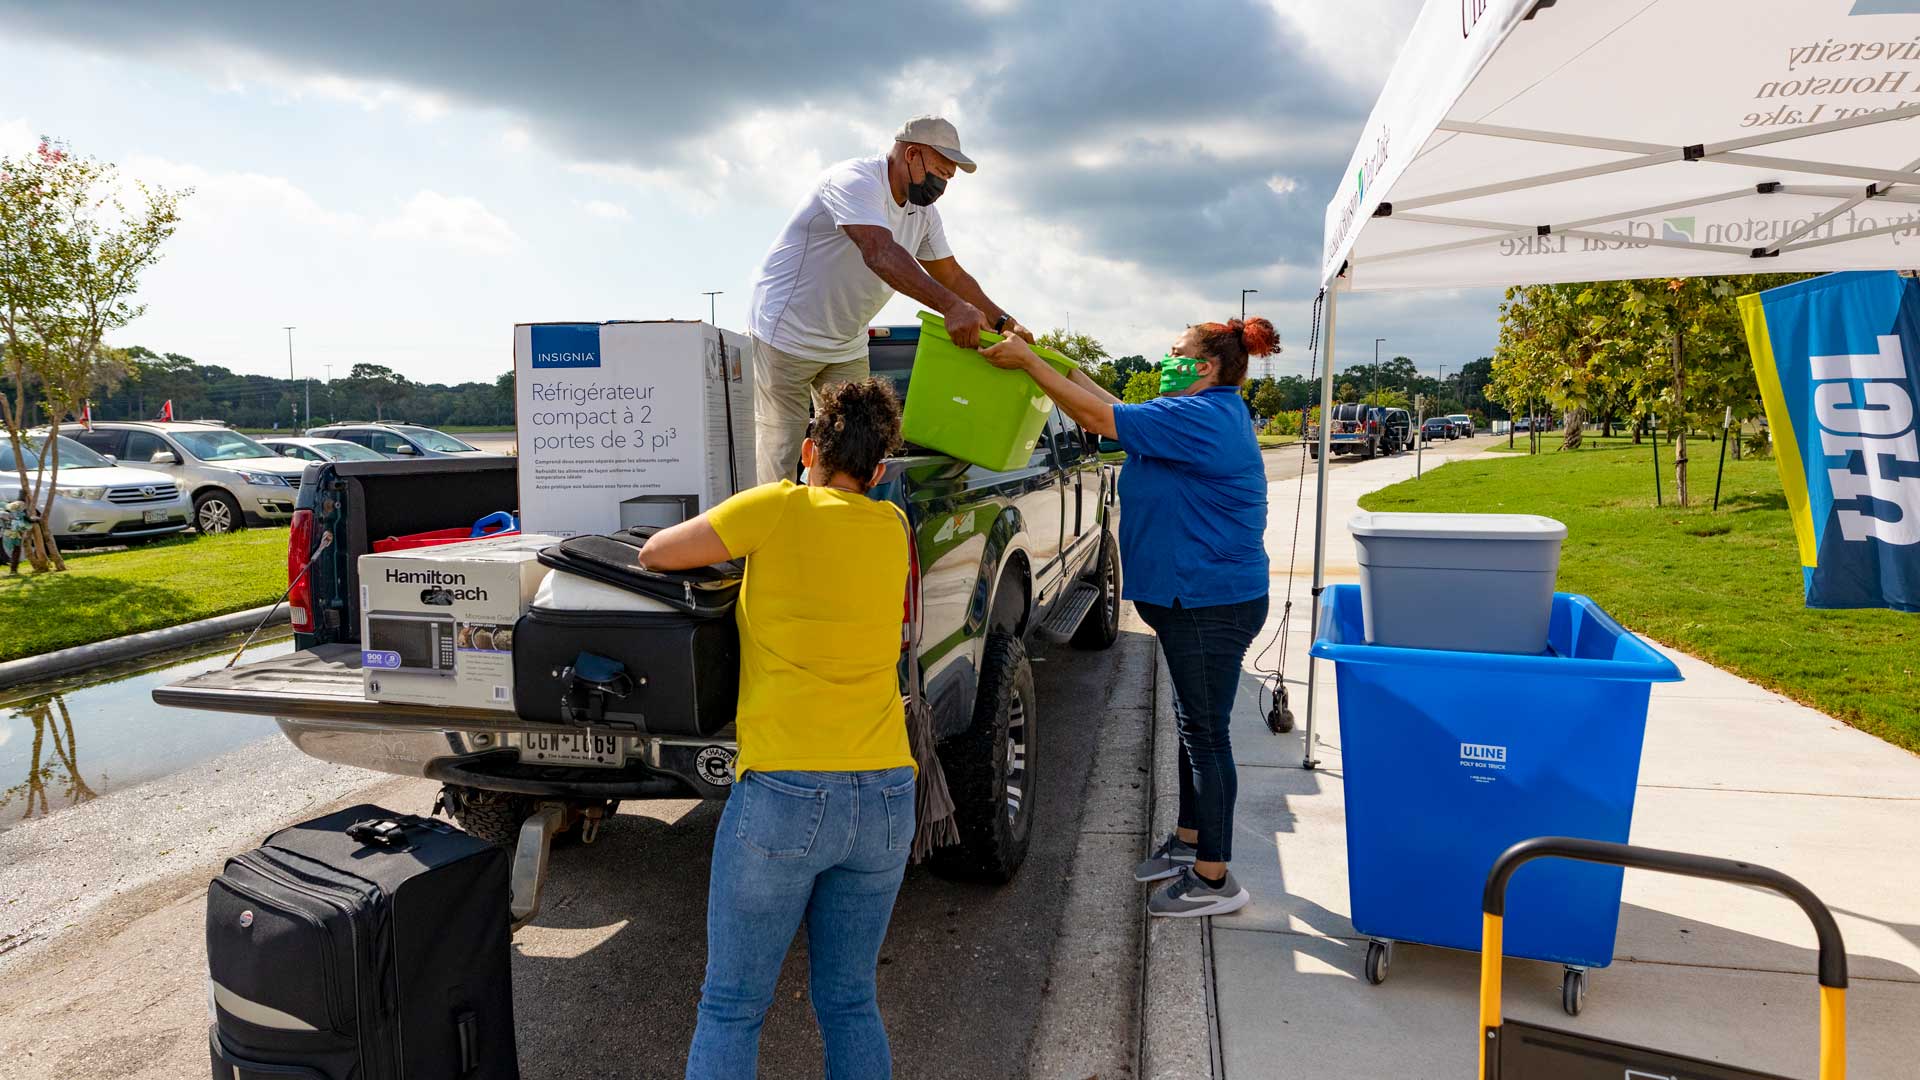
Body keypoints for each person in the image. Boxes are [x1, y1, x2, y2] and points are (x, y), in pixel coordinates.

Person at [640, 378, 917, 1078]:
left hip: (787, 792)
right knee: (851, 1000)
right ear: (879, 470)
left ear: (806, 450)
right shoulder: (892, 526)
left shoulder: (775, 507)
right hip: (887, 793)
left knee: (733, 1005)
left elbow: (657, 553)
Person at [982, 316, 1276, 917]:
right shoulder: (1196, 413)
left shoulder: (1203, 416)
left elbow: (1096, 418)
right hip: (1195, 598)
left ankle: (1215, 879)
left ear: (1205, 365)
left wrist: (1031, 367)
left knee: (1206, 735)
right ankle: (1189, 844)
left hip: (1208, 602)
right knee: (1193, 725)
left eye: (1175, 352)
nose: (1164, 359)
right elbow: (1109, 403)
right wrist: (1054, 359)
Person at [746, 114, 1032, 485]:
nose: (941, 187)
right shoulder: (855, 181)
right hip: (785, 333)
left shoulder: (924, 214)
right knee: (781, 447)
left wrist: (1004, 323)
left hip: (845, 342)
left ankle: (830, 528)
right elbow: (878, 251)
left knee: (853, 447)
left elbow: (951, 274)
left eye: (949, 179)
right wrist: (951, 307)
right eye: (940, 173)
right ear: (912, 154)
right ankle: (770, 538)